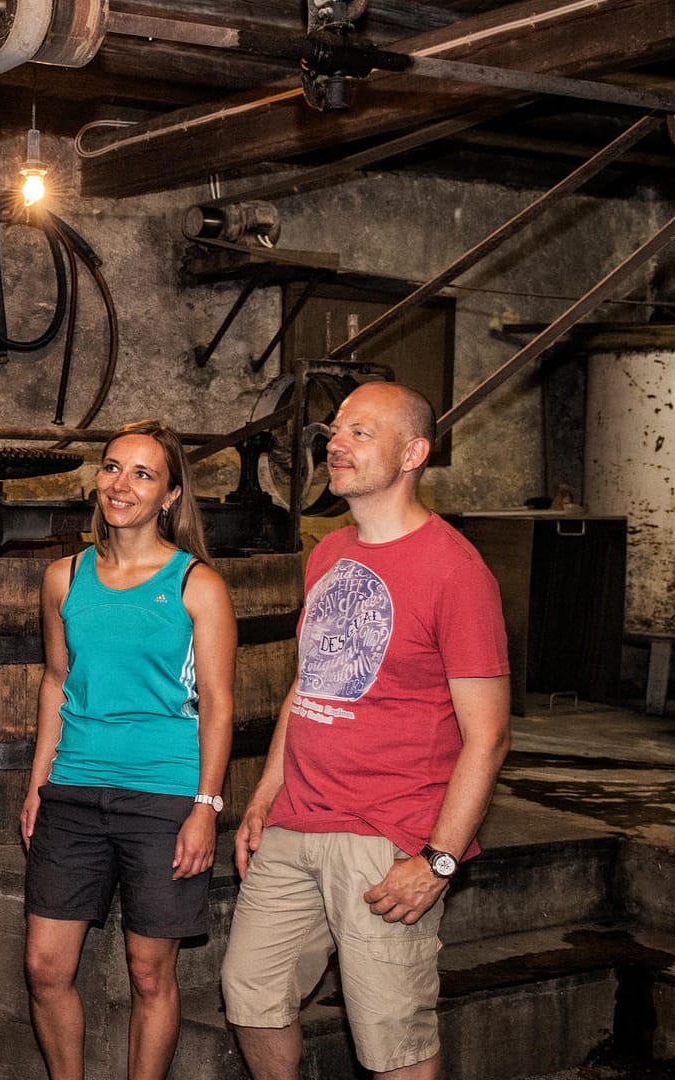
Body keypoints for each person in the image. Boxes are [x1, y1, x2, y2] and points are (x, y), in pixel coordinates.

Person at [220, 382, 511, 1080]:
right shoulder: (328, 552)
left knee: (392, 1042)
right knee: (250, 995)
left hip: (388, 834)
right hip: (298, 822)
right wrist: (266, 792)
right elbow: (309, 681)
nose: (334, 444)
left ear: (413, 453)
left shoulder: (455, 571)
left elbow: (489, 737)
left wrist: (437, 859)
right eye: (335, 429)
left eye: (360, 432)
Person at [21, 419, 237, 1080]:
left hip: (164, 795)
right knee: (45, 966)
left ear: (169, 495)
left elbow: (221, 705)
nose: (121, 484)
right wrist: (37, 787)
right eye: (113, 467)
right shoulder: (64, 578)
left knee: (149, 972)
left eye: (143, 474)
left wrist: (206, 806)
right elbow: (58, 680)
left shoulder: (197, 584)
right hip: (73, 790)